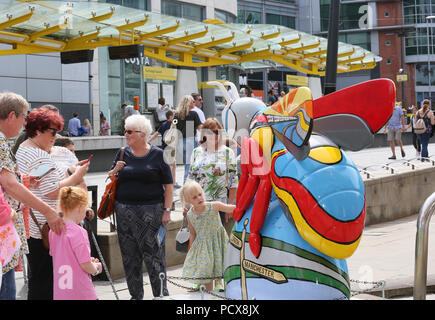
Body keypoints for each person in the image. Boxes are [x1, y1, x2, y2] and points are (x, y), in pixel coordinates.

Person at [15, 107, 89, 300]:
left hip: (30, 225)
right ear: (38, 130)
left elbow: (42, 182)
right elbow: (52, 191)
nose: (55, 137)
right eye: (53, 132)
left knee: (37, 279)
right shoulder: (41, 155)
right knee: (45, 282)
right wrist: (76, 176)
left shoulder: (24, 149)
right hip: (44, 227)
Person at [0, 93, 65, 300]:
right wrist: (48, 210)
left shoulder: (21, 148)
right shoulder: (7, 143)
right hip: (10, 226)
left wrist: (25, 180)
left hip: (21, 225)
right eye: (22, 118)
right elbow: (10, 184)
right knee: (12, 286)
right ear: (11, 115)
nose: (23, 124)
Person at [108, 114, 173, 300]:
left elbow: (169, 186)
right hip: (124, 212)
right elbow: (111, 178)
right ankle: (135, 296)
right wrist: (114, 171)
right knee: (129, 258)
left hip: (151, 212)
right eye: (125, 131)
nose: (125, 134)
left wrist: (167, 211)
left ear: (142, 134)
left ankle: (160, 295)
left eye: (129, 132)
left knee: (154, 257)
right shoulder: (122, 153)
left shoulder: (158, 155)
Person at [179, 180, 234, 292]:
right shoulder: (190, 214)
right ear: (189, 201)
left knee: (222, 265)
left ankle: (220, 287)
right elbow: (193, 233)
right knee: (206, 269)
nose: (199, 198)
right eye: (194, 197)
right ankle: (207, 292)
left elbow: (231, 208)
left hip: (218, 242)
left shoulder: (214, 206)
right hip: (203, 245)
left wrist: (246, 206)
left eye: (200, 194)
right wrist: (191, 250)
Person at [49, 186, 101, 300]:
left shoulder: (53, 230)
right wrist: (96, 268)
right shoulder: (79, 232)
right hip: (81, 292)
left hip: (61, 292)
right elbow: (86, 265)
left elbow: (61, 257)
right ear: (80, 208)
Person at [188, 118, 238, 226]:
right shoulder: (196, 152)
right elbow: (190, 180)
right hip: (198, 205)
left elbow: (233, 181)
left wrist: (229, 207)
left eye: (216, 132)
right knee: (198, 240)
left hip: (219, 206)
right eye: (210, 132)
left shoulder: (227, 152)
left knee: (216, 241)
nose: (214, 135)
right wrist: (187, 205)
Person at [148, 110, 180, 189]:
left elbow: (156, 134)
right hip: (171, 147)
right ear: (171, 116)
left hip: (164, 147)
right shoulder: (173, 125)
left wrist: (148, 141)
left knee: (173, 164)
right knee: (171, 165)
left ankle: (173, 181)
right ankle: (169, 182)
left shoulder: (163, 124)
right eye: (173, 115)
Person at [175, 95, 202, 184]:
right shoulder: (193, 114)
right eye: (193, 101)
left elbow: (174, 128)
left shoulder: (177, 114)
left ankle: (190, 183)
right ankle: (186, 184)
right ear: (188, 103)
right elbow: (200, 128)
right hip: (190, 140)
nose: (194, 103)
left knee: (188, 163)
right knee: (190, 164)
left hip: (180, 142)